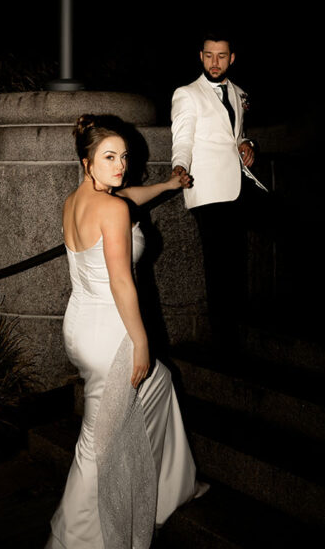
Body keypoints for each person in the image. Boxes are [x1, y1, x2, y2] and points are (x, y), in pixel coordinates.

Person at [47, 114, 207, 549]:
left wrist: (168, 186)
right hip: (111, 335)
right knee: (96, 444)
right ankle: (72, 539)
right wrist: (141, 342)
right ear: (87, 162)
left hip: (79, 326)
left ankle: (168, 491)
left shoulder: (76, 200)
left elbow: (129, 196)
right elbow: (122, 282)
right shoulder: (113, 209)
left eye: (124, 156)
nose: (120, 165)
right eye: (109, 157)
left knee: (160, 385)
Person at [171, 34, 268, 343]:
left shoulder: (239, 94)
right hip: (208, 189)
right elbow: (183, 139)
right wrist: (179, 166)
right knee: (219, 264)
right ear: (201, 56)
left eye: (221, 56)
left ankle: (241, 327)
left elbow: (237, 134)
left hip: (238, 186)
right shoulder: (187, 94)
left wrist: (246, 144)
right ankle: (223, 340)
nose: (215, 62)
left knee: (237, 258)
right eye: (209, 55)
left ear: (232, 58)